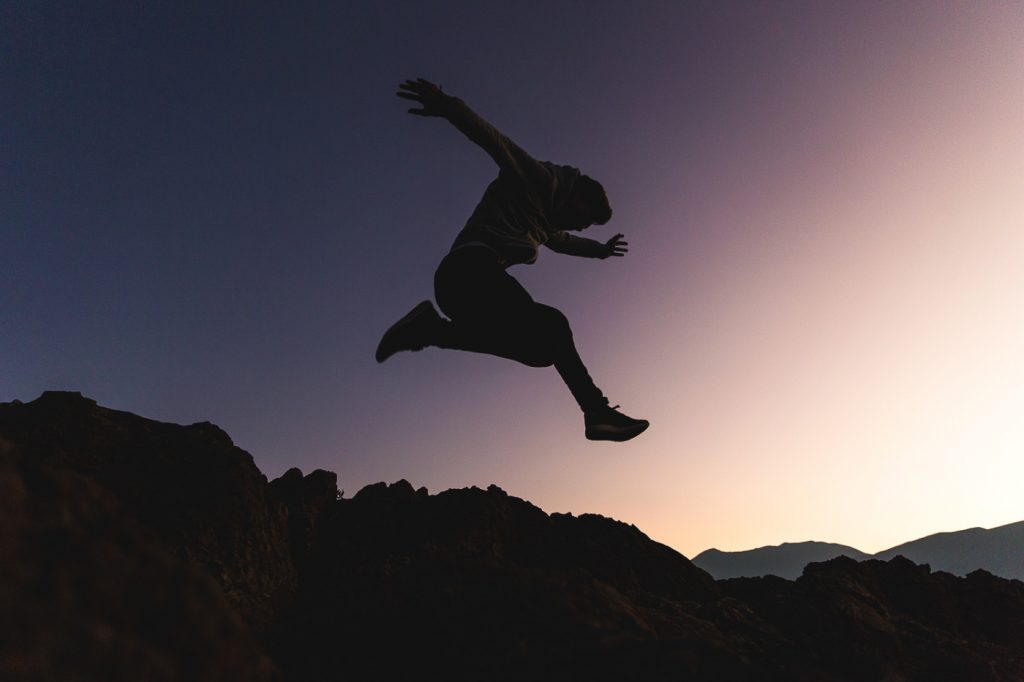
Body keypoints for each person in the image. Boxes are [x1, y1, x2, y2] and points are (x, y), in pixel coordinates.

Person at [376, 78, 649, 442]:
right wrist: (445, 104)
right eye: (585, 217)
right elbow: (496, 142)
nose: (582, 225)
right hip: (469, 271)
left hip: (469, 289)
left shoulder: (544, 223)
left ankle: (431, 330)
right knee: (553, 324)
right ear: (576, 196)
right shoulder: (538, 180)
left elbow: (564, 242)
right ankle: (596, 412)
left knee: (540, 351)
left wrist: (599, 250)